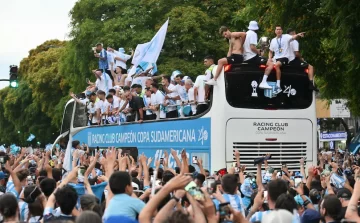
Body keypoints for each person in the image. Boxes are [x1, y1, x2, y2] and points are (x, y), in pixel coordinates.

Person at [266, 25, 305, 94]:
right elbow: (270, 51)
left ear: (282, 31)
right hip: (276, 58)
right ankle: (264, 81)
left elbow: (293, 37)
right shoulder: (273, 40)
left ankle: (278, 86)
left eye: (280, 29)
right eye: (277, 29)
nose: (279, 30)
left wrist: (298, 35)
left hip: (285, 58)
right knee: (267, 65)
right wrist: (269, 58)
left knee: (277, 65)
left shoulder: (286, 36)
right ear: (275, 31)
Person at [242, 21, 274, 90]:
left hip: (245, 57)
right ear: (256, 28)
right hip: (251, 57)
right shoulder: (253, 34)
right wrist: (258, 53)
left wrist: (259, 50)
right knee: (270, 63)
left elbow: (248, 48)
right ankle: (263, 82)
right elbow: (252, 47)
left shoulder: (246, 33)